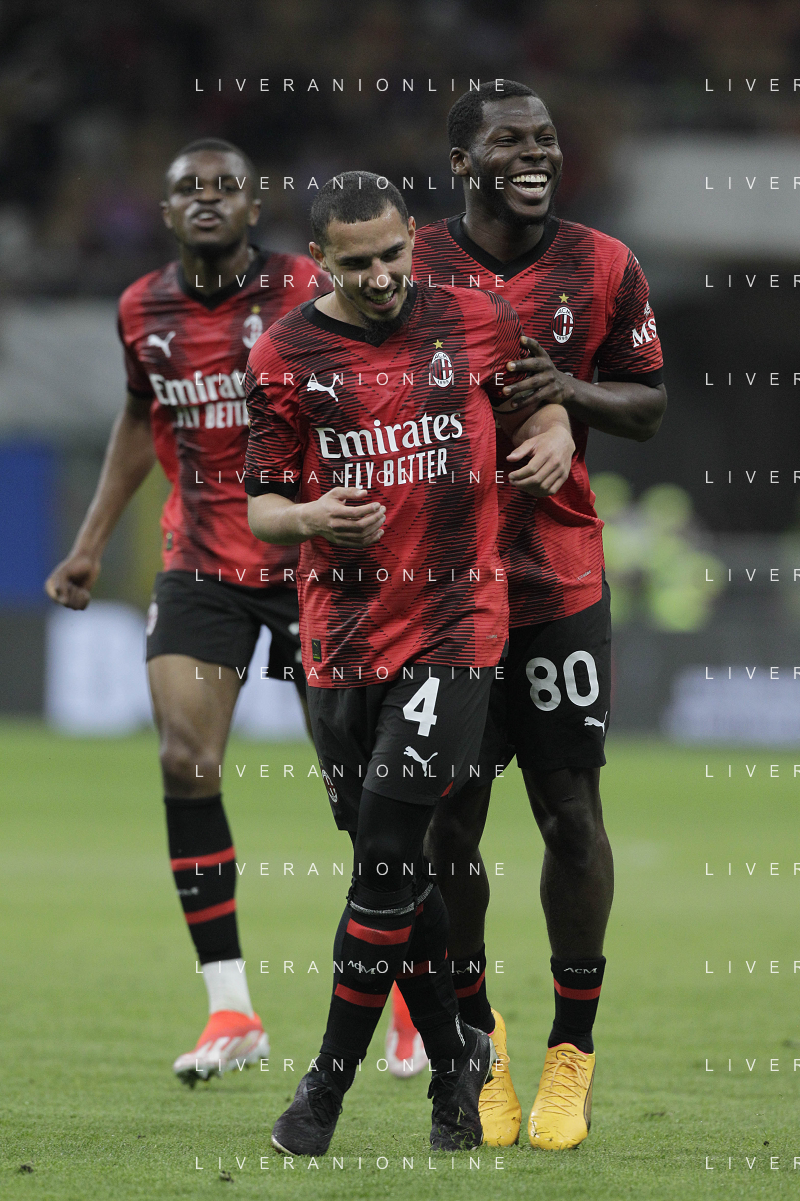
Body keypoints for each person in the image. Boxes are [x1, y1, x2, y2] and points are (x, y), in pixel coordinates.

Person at [244, 171, 575, 1154]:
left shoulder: (475, 319)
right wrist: (312, 515)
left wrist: (555, 435)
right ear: (321, 262)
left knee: (389, 854)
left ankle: (323, 1091)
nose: (382, 274)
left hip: (454, 626)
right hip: (339, 639)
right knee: (391, 869)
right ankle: (457, 1057)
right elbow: (262, 506)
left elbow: (540, 406)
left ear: (410, 239)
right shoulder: (284, 355)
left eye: (393, 253)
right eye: (358, 264)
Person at [386, 80, 667, 1150]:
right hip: (441, 591)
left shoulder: (605, 265)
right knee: (447, 822)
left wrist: (567, 399)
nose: (535, 153)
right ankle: (478, 1039)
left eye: (545, 138)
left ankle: (570, 1051)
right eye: (509, 141)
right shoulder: (410, 264)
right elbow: (364, 389)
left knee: (569, 814)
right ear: (463, 162)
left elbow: (646, 403)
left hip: (556, 581)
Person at [45, 138, 326, 1084]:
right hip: (201, 562)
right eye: (188, 190)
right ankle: (232, 1009)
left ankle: (410, 993)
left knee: (360, 790)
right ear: (166, 213)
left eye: (224, 187)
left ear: (254, 206)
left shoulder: (305, 289)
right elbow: (141, 416)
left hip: (311, 561)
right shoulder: (142, 308)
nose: (207, 199)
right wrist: (90, 542)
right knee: (183, 758)